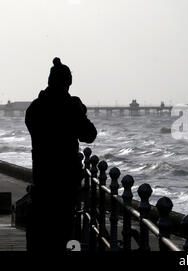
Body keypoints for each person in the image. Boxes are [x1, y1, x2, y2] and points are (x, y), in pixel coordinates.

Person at [25, 57, 97, 251]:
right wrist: (80, 111)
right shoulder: (70, 107)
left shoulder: (34, 108)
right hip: (65, 181)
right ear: (68, 83)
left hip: (42, 177)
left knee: (41, 233)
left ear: (49, 81)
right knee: (63, 233)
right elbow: (90, 135)